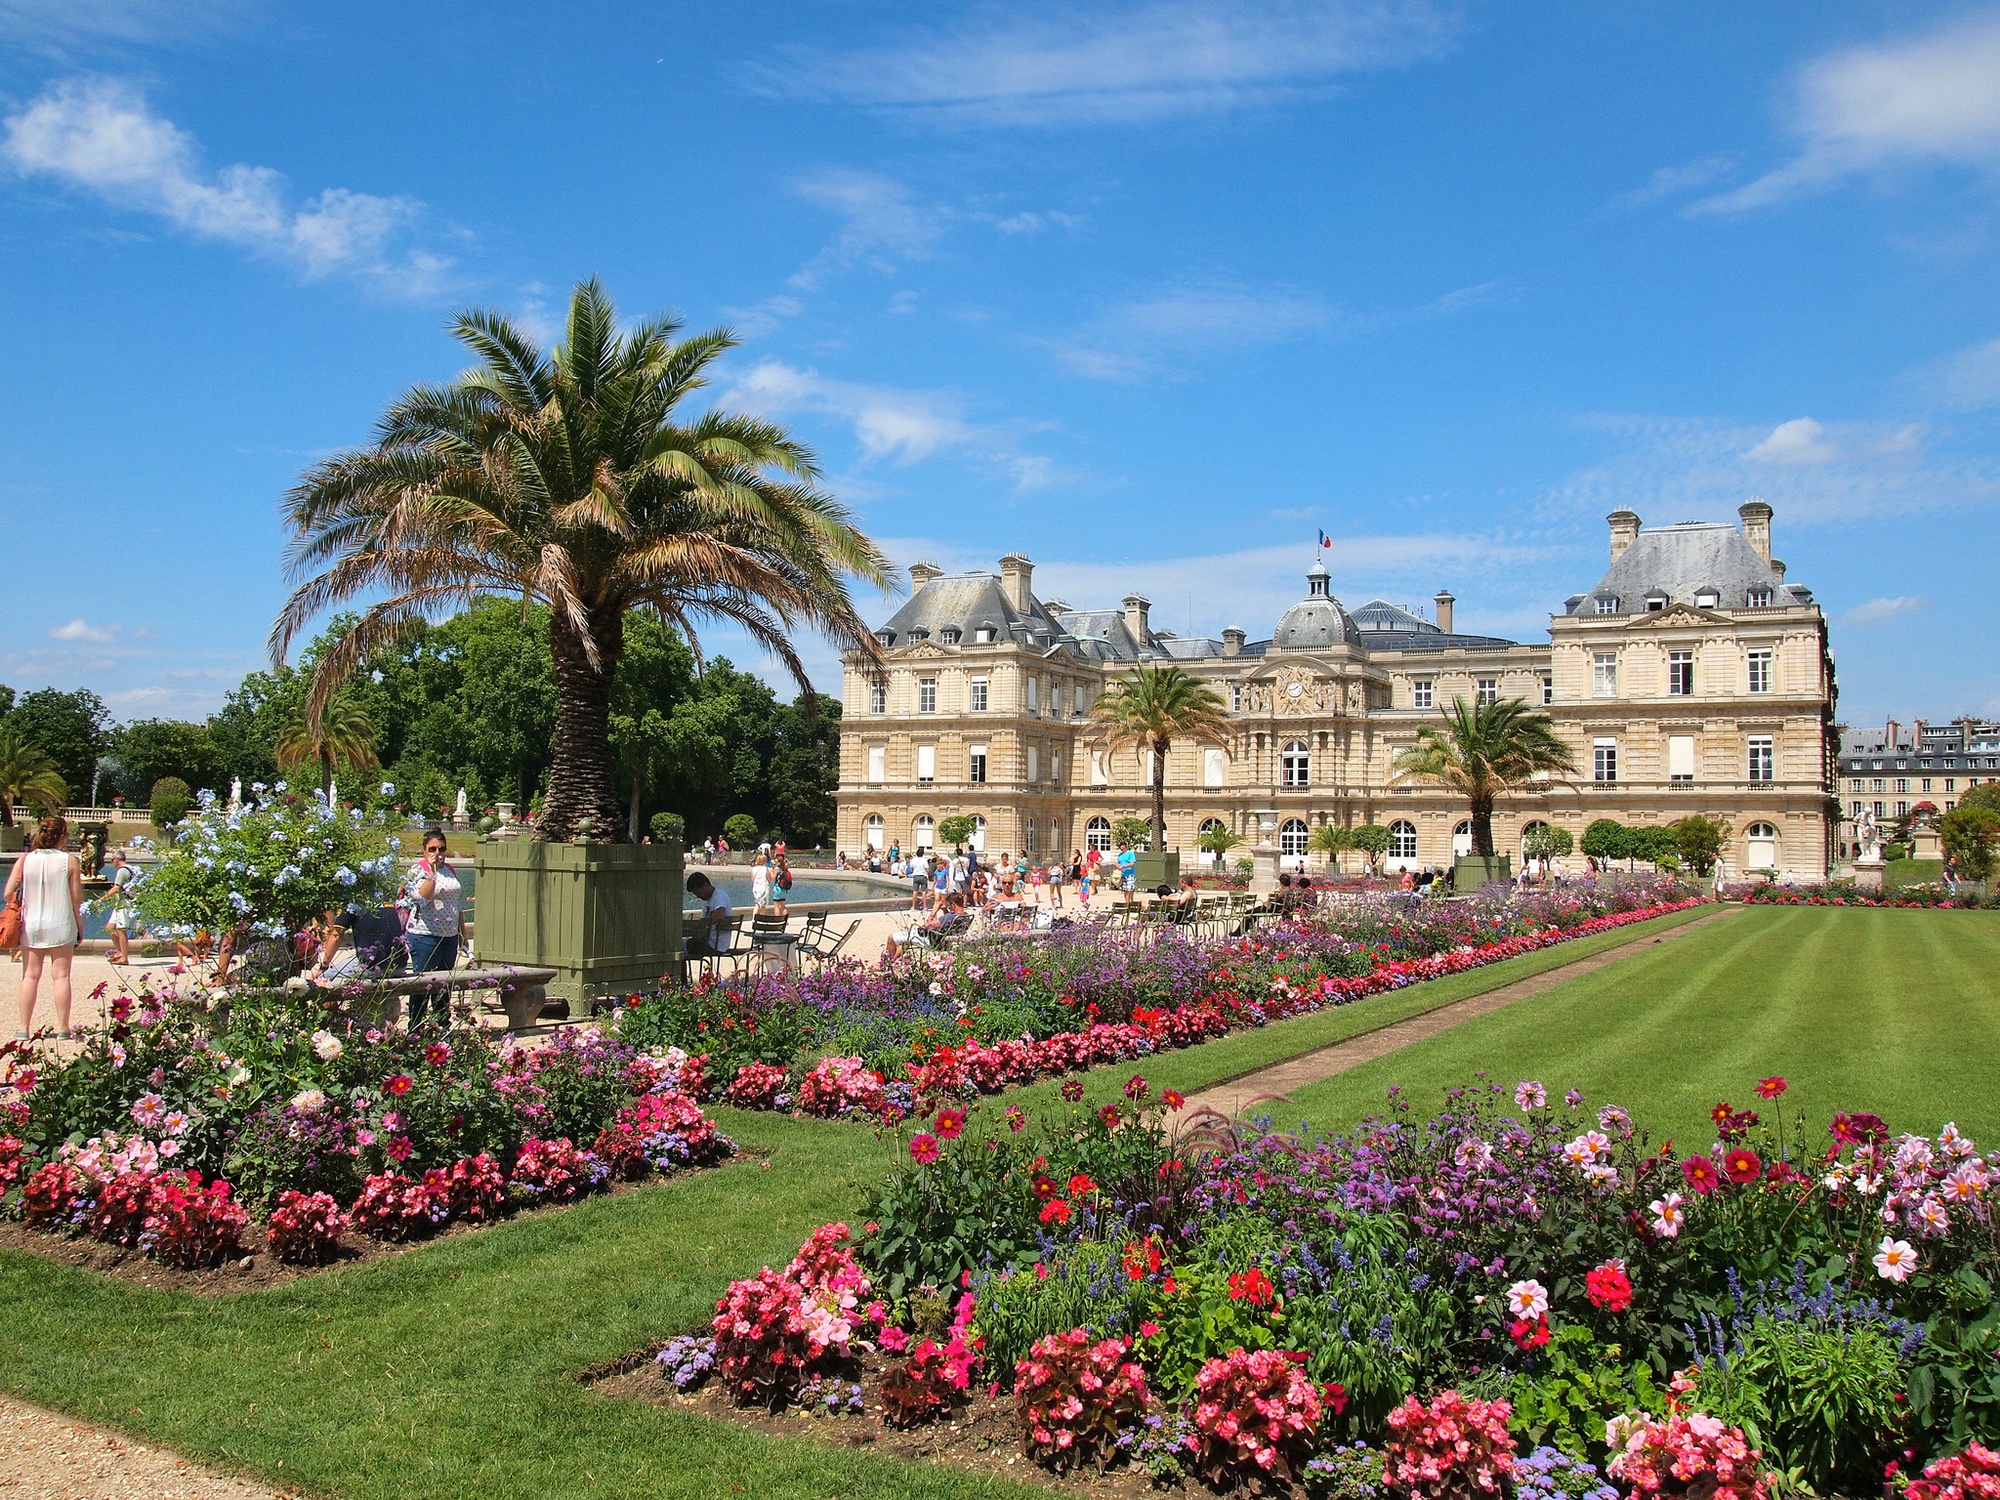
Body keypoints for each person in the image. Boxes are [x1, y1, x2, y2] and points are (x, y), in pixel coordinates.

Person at [7, 815, 82, 1039]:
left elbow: (8, 892)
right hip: (60, 921)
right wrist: (79, 927)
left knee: (30, 976)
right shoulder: (69, 861)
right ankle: (62, 1028)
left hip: (31, 924)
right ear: (62, 837)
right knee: (61, 976)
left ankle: (23, 1027)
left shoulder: (24, 860)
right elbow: (76, 899)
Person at [404, 827, 464, 1025]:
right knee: (422, 984)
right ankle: (416, 1027)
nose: (437, 854)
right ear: (424, 850)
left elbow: (456, 902)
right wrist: (431, 873)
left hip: (449, 936)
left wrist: (461, 933)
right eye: (433, 849)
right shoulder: (417, 870)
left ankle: (441, 1025)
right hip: (424, 935)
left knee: (444, 985)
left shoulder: (450, 869)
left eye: (441, 849)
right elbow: (424, 898)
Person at [684, 872, 734, 961]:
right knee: (683, 944)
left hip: (714, 945)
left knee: (679, 946)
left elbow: (720, 915)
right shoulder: (708, 901)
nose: (698, 896)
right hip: (711, 943)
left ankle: (678, 974)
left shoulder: (719, 896)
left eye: (698, 893)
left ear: (705, 886)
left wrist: (704, 924)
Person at [102, 848, 136, 964]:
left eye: (112, 860)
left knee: (121, 930)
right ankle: (120, 952)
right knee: (110, 927)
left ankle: (124, 958)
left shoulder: (122, 871)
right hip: (119, 903)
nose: (112, 863)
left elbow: (117, 888)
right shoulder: (131, 868)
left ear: (116, 859)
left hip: (124, 903)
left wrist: (102, 899)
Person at [772, 851, 794, 917]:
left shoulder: (776, 869)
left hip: (777, 888)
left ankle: (777, 919)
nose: (774, 861)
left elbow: (773, 878)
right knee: (783, 905)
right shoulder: (784, 868)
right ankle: (785, 920)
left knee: (776, 905)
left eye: (775, 861)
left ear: (778, 862)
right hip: (783, 889)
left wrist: (771, 871)